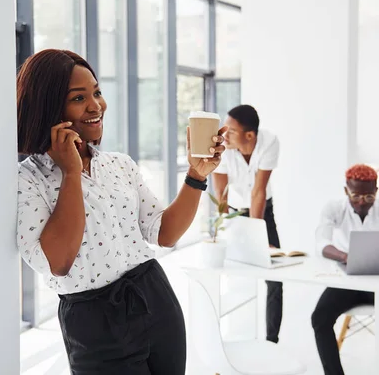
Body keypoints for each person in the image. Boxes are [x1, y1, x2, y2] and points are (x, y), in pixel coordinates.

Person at [16, 49, 226, 374]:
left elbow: (164, 233)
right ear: (49, 105)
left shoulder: (118, 164)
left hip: (155, 298)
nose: (95, 105)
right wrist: (71, 173)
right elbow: (58, 262)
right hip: (93, 321)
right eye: (78, 97)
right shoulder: (27, 179)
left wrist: (197, 175)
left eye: (97, 92)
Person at [311, 164, 379, 375]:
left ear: (376, 192)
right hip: (348, 280)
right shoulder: (333, 208)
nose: (362, 201)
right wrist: (345, 256)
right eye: (356, 195)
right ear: (346, 190)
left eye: (369, 197)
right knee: (319, 318)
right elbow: (321, 244)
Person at [212, 104, 283, 343]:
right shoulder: (222, 148)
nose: (224, 134)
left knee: (274, 276)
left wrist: (258, 240)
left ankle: (271, 340)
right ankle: (224, 336)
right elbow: (220, 192)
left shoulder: (269, 142)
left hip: (262, 210)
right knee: (226, 270)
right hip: (233, 212)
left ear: (249, 135)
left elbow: (258, 191)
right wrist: (219, 227)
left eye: (230, 130)